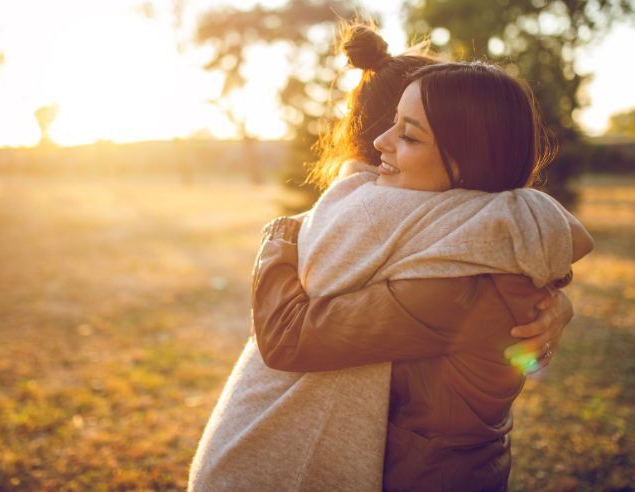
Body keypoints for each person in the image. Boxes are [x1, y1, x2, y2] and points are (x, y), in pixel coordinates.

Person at [188, 24, 585, 491]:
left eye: (410, 136)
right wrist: (559, 299)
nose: (380, 146)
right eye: (390, 125)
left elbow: (287, 337)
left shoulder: (459, 280)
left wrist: (282, 234)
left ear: (470, 158)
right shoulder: (471, 236)